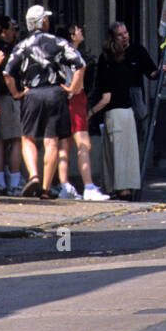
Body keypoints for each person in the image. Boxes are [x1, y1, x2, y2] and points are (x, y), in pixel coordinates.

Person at [4, 5, 86, 199]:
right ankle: (46, 188)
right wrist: (73, 89)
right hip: (56, 93)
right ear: (45, 22)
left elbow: (7, 73)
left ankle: (33, 175)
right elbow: (80, 65)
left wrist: (16, 93)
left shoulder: (23, 45)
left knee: (28, 137)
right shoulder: (58, 42)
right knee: (52, 141)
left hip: (32, 94)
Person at [90, 21, 162, 197]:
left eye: (126, 32)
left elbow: (151, 73)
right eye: (120, 35)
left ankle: (118, 186)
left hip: (130, 107)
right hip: (121, 108)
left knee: (119, 150)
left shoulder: (136, 52)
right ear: (113, 39)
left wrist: (160, 70)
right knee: (124, 150)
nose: (125, 36)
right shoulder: (107, 60)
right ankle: (123, 187)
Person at [54, 24, 107, 200]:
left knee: (65, 145)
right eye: (78, 30)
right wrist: (72, 89)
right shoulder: (73, 54)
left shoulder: (59, 53)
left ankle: (64, 185)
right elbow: (79, 74)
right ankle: (88, 186)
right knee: (84, 144)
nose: (81, 32)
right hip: (75, 98)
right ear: (72, 35)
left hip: (64, 99)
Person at [0, 15, 24, 195]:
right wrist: (17, 93)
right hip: (7, 97)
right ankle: (14, 182)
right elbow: (9, 75)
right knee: (16, 139)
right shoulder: (6, 51)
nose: (15, 32)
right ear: (3, 30)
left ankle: (0, 182)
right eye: (12, 28)